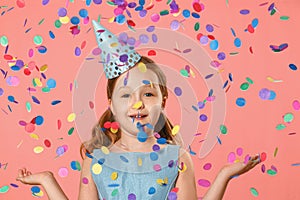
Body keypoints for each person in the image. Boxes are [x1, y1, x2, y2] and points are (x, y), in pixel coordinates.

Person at [16, 21, 260, 200]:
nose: (137, 104)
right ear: (111, 104)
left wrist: (224, 175)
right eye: (125, 95)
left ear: (163, 100)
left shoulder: (177, 158)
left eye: (148, 93)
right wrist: (47, 181)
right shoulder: (96, 159)